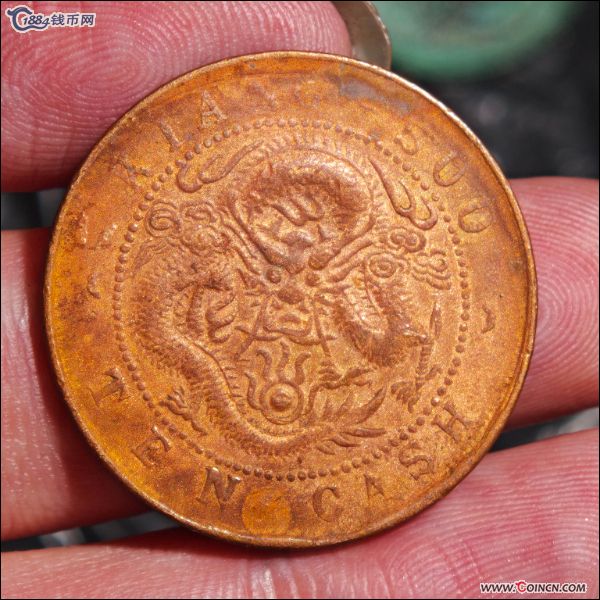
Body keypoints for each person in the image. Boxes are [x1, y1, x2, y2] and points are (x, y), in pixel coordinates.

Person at [1, 2, 598, 597]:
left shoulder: (349, 282)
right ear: (254, 210)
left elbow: (390, 344)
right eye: (284, 217)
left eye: (313, 225)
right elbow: (168, 323)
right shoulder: (219, 253)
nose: (296, 236)